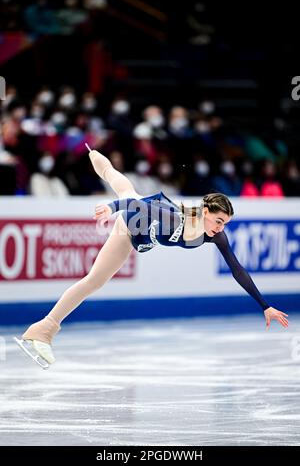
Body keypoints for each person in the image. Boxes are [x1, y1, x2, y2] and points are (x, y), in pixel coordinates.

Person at [16, 149, 289, 368]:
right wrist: (110, 208)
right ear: (205, 211)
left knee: (121, 184)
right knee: (95, 279)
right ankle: (44, 329)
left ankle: (94, 154)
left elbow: (237, 269)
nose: (221, 228)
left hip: (142, 226)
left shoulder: (216, 235)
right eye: (218, 221)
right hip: (129, 225)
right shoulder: (178, 217)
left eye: (225, 224)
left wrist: (264, 305)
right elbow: (137, 207)